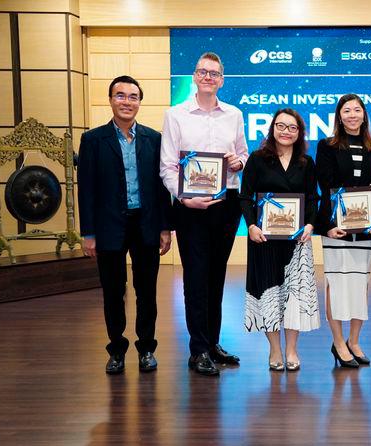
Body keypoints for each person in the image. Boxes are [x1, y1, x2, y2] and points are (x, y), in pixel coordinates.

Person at [160, 52, 249, 376]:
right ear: (195, 77)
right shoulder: (176, 115)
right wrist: (184, 198)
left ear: (222, 79)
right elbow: (167, 166)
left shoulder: (234, 115)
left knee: (217, 276)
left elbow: (242, 154)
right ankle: (197, 350)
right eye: (203, 72)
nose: (208, 77)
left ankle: (212, 343)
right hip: (190, 208)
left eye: (214, 73)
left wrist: (239, 162)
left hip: (226, 205)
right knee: (196, 278)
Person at [78, 75, 173, 374]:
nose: (127, 102)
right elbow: (86, 189)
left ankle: (146, 349)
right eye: (120, 95)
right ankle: (116, 349)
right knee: (113, 290)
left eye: (133, 96)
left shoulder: (154, 139)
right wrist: (88, 233)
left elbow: (162, 187)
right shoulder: (93, 140)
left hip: (145, 225)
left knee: (147, 291)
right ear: (110, 100)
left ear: (139, 102)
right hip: (108, 227)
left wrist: (165, 227)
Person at [239, 108, 320, 372]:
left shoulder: (306, 163)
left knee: (295, 296)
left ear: (299, 133)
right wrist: (250, 225)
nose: (286, 131)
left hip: (296, 241)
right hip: (263, 239)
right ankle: (274, 349)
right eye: (281, 126)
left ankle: (292, 350)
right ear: (273, 128)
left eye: (292, 128)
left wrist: (310, 224)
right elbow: (246, 196)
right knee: (269, 294)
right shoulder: (257, 159)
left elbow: (312, 199)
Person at [315, 93, 371, 369]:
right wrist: (329, 226)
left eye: (357, 110)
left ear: (364, 115)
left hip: (365, 230)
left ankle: (354, 341)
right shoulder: (327, 146)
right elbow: (325, 186)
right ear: (339, 117)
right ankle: (338, 341)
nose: (353, 115)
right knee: (336, 284)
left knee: (360, 284)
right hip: (336, 229)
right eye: (347, 111)